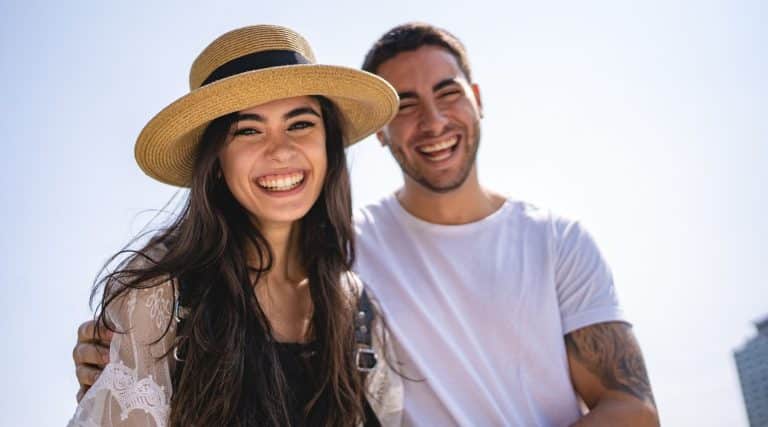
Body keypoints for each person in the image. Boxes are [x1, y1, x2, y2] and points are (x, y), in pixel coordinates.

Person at [73, 23, 660, 426]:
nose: (431, 121)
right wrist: (118, 356)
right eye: (247, 130)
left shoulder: (352, 293)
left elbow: (633, 407)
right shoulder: (177, 289)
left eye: (300, 124)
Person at [68, 25, 404, 427]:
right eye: (248, 130)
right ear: (215, 163)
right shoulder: (160, 295)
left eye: (300, 124)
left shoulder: (359, 311)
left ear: (329, 144)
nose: (280, 151)